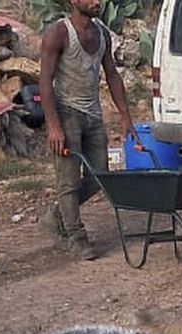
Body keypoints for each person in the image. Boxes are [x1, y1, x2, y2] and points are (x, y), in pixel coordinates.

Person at [38, 0, 137, 260]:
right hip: (66, 113)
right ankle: (76, 236)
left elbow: (112, 74)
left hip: (92, 115)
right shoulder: (59, 34)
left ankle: (57, 215)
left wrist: (125, 115)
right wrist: (53, 125)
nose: (98, 2)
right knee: (68, 180)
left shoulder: (101, 33)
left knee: (100, 177)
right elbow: (45, 80)